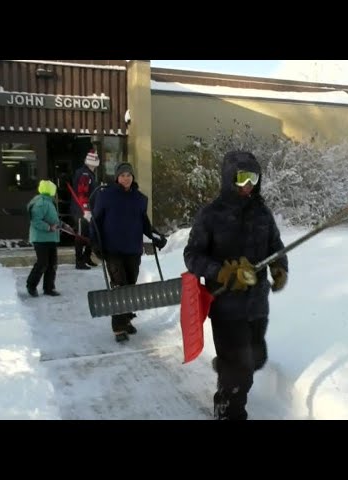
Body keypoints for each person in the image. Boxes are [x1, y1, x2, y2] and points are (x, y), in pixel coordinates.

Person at [183, 150, 289, 420]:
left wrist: (279, 268)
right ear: (229, 178)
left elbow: (275, 246)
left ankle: (228, 380)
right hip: (226, 305)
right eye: (242, 177)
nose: (248, 184)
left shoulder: (262, 213)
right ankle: (228, 409)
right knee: (239, 366)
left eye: (253, 177)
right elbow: (192, 256)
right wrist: (223, 273)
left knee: (255, 359)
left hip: (257, 304)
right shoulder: (211, 215)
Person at [90, 162, 167, 342]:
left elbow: (145, 224)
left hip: (133, 249)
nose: (126, 178)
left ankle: (126, 321)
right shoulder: (106, 196)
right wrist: (95, 243)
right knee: (119, 286)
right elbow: (96, 220)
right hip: (112, 250)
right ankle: (118, 328)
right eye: (123, 175)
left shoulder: (139, 199)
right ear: (117, 177)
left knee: (130, 287)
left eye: (129, 175)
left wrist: (157, 237)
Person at [26, 179, 62, 297]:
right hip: (41, 239)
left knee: (52, 264)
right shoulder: (41, 202)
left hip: (50, 238)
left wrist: (60, 225)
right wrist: (49, 227)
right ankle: (31, 285)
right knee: (42, 263)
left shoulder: (48, 201)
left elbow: (52, 218)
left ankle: (49, 288)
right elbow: (35, 220)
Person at [70, 149, 100, 270]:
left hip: (87, 210)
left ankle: (86, 257)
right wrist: (86, 209)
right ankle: (79, 261)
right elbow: (82, 193)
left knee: (89, 234)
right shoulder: (85, 174)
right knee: (81, 235)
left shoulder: (89, 174)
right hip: (82, 211)